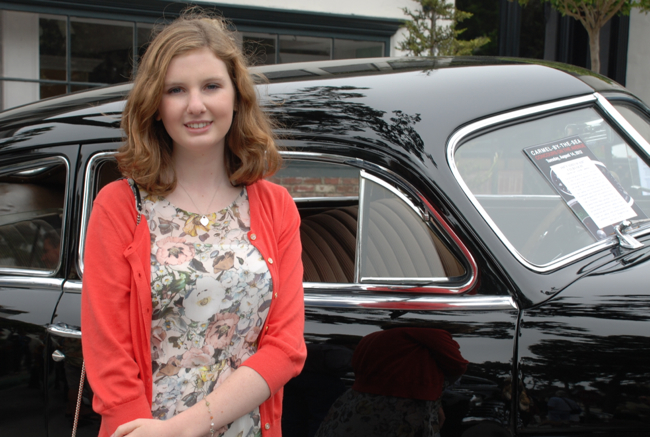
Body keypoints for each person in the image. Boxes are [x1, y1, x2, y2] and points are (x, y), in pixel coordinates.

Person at [81, 10, 306, 437]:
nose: (196, 105)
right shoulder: (119, 206)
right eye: (176, 90)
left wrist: (186, 427)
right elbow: (108, 352)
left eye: (211, 86)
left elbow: (285, 347)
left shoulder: (275, 205)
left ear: (237, 97)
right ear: (155, 105)